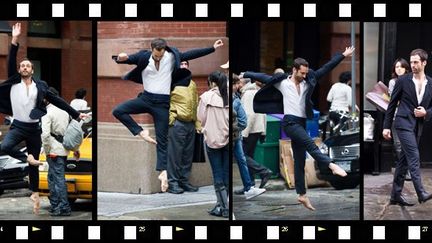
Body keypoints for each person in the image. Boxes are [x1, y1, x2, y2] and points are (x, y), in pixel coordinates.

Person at [242, 46, 354, 211]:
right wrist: (246, 74)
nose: (304, 75)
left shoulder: (309, 79)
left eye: (306, 73)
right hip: (289, 123)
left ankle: (302, 195)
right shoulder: (282, 82)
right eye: (301, 73)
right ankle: (331, 165)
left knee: (300, 161)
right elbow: (263, 77)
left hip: (301, 122)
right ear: (294, 70)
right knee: (310, 144)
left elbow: (327, 67)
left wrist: (343, 55)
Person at [113, 38, 223, 192]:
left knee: (163, 142)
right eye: (156, 56)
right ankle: (139, 131)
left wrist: (212, 48)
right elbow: (127, 59)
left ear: (165, 50)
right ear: (152, 49)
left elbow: (191, 54)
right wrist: (120, 58)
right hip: (146, 98)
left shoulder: (172, 56)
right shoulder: (144, 56)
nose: (158, 58)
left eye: (161, 55)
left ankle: (164, 173)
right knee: (118, 110)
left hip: (163, 104)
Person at [0, 23, 89, 214]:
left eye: (27, 66)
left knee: (34, 170)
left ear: (32, 70)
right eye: (22, 65)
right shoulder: (13, 82)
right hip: (18, 126)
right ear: (20, 70)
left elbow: (57, 100)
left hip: (34, 128)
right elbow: (11, 61)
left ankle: (34, 192)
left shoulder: (40, 86)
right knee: (5, 147)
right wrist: (14, 40)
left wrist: (75, 113)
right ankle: (28, 159)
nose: (23, 67)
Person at [383, 49, 432, 206]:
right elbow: (391, 105)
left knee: (403, 162)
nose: (413, 65)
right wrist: (386, 126)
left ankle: (395, 195)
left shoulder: (430, 83)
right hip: (402, 123)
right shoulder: (403, 80)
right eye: (411, 62)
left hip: (418, 126)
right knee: (413, 156)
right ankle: (421, 192)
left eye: (416, 62)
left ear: (424, 63)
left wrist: (426, 112)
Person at [41, 87, 80, 216]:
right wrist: (75, 149)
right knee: (55, 178)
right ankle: (57, 206)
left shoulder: (47, 112)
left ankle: (62, 207)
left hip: (53, 150)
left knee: (56, 179)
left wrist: (46, 150)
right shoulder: (65, 111)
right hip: (63, 149)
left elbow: (45, 135)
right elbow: (72, 132)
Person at [197, 71, 229, 218]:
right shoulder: (229, 97)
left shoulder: (206, 97)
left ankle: (224, 208)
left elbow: (201, 118)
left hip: (211, 139)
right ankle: (223, 205)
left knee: (217, 175)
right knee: (225, 173)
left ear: (212, 82)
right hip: (228, 138)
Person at [234, 78, 272, 195]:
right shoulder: (256, 92)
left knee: (242, 157)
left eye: (238, 83)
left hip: (249, 130)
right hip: (256, 129)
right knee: (248, 156)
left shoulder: (248, 94)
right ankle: (249, 185)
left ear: (243, 84)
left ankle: (263, 172)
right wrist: (263, 132)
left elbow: (249, 115)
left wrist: (244, 133)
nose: (238, 85)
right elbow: (263, 114)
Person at [166, 61, 200, 194]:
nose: (184, 66)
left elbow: (195, 103)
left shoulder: (192, 83)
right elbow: (164, 102)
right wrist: (171, 119)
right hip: (177, 123)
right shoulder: (170, 82)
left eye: (186, 64)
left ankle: (184, 181)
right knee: (175, 155)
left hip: (190, 123)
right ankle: (172, 182)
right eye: (181, 64)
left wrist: (197, 124)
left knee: (187, 155)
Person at [387, 58, 411, 181]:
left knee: (409, 144)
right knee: (398, 144)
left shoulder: (412, 80)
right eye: (396, 67)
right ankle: (405, 171)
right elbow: (394, 100)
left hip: (410, 117)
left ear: (406, 69)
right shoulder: (393, 82)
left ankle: (408, 169)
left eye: (401, 67)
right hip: (396, 116)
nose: (399, 69)